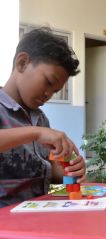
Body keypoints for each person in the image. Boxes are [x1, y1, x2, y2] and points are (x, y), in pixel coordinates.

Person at [0, 27, 86, 208]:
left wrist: (66, 170)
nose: (49, 95)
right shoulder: (37, 128)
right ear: (22, 63)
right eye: (48, 82)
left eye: (55, 91)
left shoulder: (40, 119)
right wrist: (35, 133)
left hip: (39, 212)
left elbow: (47, 169)